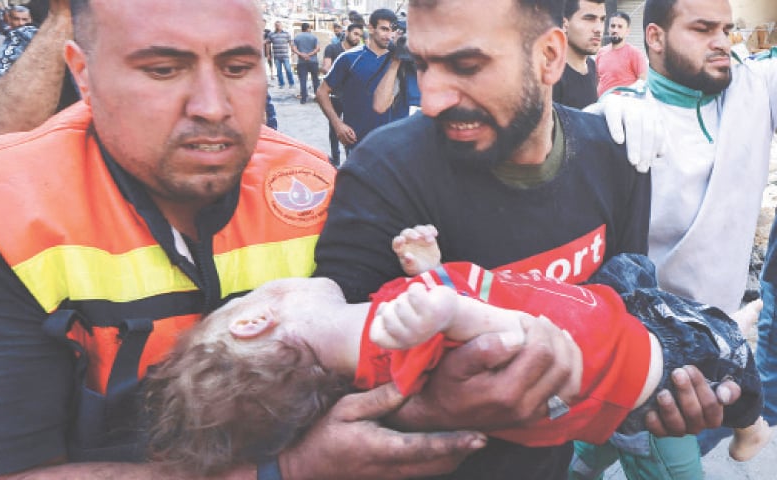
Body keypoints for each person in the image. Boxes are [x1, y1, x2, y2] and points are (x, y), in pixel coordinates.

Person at [0, 1, 492, 479]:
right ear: (83, 74)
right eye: (163, 70)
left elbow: (399, 372)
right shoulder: (5, 207)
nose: (212, 106)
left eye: (238, 67)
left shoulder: (313, 185)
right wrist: (285, 470)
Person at [314, 1, 744, 478]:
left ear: (549, 57)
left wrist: (654, 392)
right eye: (422, 65)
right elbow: (329, 384)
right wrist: (436, 406)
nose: (431, 99)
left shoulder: (616, 155)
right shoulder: (382, 172)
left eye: (467, 66)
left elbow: (624, 303)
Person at [143, 225, 767, 476]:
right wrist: (451, 308)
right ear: (254, 319)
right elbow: (514, 344)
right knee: (726, 358)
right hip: (636, 355)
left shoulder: (378, 332)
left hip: (606, 309)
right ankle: (751, 424)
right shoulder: (399, 340)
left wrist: (430, 272)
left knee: (636, 272)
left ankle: (726, 333)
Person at [572, 0, 777, 476]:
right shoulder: (619, 122)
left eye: (726, 29)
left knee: (587, 450)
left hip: (718, 344)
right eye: (703, 29)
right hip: (653, 355)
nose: (722, 41)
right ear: (657, 38)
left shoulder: (753, 87)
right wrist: (610, 107)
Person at [316, 8, 416, 153]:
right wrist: (338, 124)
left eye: (392, 30)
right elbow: (321, 92)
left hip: (393, 145)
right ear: (371, 28)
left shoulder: (403, 60)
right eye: (384, 29)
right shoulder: (349, 58)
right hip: (359, 142)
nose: (389, 35)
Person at [0, 0, 77, 138]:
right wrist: (62, 18)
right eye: (16, 19)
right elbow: (1, 127)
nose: (19, 22)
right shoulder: (24, 35)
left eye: (23, 19)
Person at [321, 22, 364, 166]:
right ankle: (335, 160)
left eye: (360, 35)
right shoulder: (333, 48)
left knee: (352, 131)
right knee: (334, 128)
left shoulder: (360, 52)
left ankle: (350, 161)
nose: (357, 38)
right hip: (335, 96)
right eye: (355, 34)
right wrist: (338, 73)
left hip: (352, 98)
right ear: (347, 33)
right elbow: (326, 67)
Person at [553, 0, 604, 109]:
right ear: (564, 24)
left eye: (602, 19)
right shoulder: (552, 75)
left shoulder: (591, 65)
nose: (599, 29)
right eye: (589, 19)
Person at [595, 11, 648, 97]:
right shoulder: (601, 52)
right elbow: (597, 80)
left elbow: (643, 81)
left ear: (627, 31)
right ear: (608, 28)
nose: (615, 30)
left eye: (620, 27)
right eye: (613, 26)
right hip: (601, 104)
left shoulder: (634, 53)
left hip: (624, 106)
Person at [292, 22, 320, 104]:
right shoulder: (314, 37)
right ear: (308, 28)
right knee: (315, 80)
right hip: (313, 61)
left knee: (303, 80)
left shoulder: (297, 38)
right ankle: (317, 98)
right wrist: (309, 54)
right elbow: (317, 49)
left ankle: (303, 99)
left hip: (302, 62)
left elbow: (294, 49)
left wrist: (302, 54)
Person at [267, 20, 294, 88]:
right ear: (275, 26)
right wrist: (268, 54)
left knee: (288, 70)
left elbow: (291, 43)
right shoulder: (271, 34)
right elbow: (268, 45)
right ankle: (281, 84)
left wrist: (293, 51)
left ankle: (291, 83)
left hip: (285, 56)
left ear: (282, 26)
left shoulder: (286, 34)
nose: (278, 26)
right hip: (276, 56)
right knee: (279, 71)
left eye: (279, 25)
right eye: (276, 25)